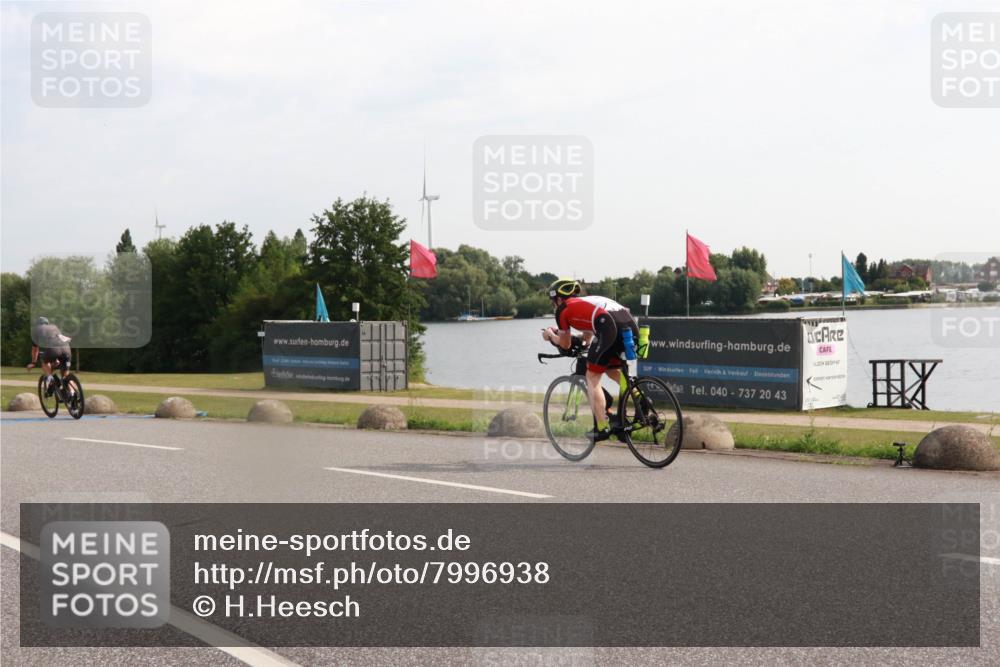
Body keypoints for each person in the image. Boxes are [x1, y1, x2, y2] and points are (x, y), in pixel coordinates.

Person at [541, 278, 639, 442]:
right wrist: (584, 342)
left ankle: (602, 428)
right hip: (629, 326)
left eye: (553, 302)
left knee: (592, 377)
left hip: (609, 328)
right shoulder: (583, 303)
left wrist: (550, 335)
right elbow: (588, 333)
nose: (554, 305)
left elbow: (565, 344)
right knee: (610, 369)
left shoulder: (563, 309)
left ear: (558, 298)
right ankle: (638, 397)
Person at [26, 317, 73, 397]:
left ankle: (51, 379)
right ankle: (73, 393)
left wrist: (33, 363)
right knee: (66, 376)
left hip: (54, 350)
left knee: (44, 361)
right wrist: (57, 359)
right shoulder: (54, 327)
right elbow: (61, 340)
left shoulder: (36, 330)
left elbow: (35, 349)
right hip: (67, 350)